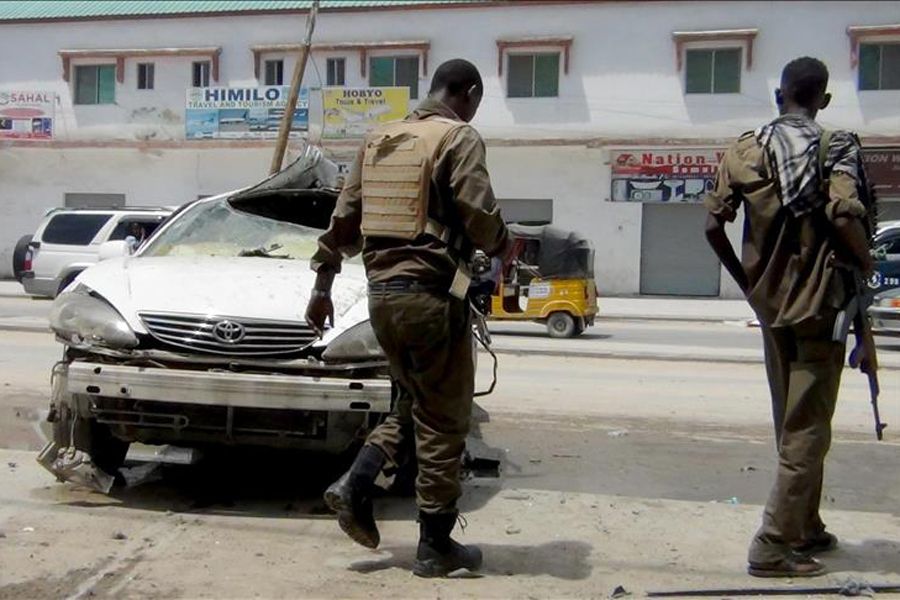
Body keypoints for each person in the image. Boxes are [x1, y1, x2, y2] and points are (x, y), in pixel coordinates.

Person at [305, 58, 510, 578]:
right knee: (444, 420)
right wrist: (507, 242)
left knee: (413, 403)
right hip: (431, 298)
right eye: (476, 102)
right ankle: (435, 545)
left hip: (382, 299)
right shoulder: (458, 138)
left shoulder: (380, 140)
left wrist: (321, 287)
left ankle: (355, 484)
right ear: (468, 92)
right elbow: (481, 219)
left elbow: (342, 222)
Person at [704, 57, 875, 578]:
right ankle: (773, 545)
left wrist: (748, 285)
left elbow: (712, 225)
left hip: (771, 304)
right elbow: (845, 214)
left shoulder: (744, 149)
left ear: (780, 95)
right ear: (822, 100)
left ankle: (805, 526)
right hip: (819, 304)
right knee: (808, 429)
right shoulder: (835, 147)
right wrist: (865, 263)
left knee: (793, 422)